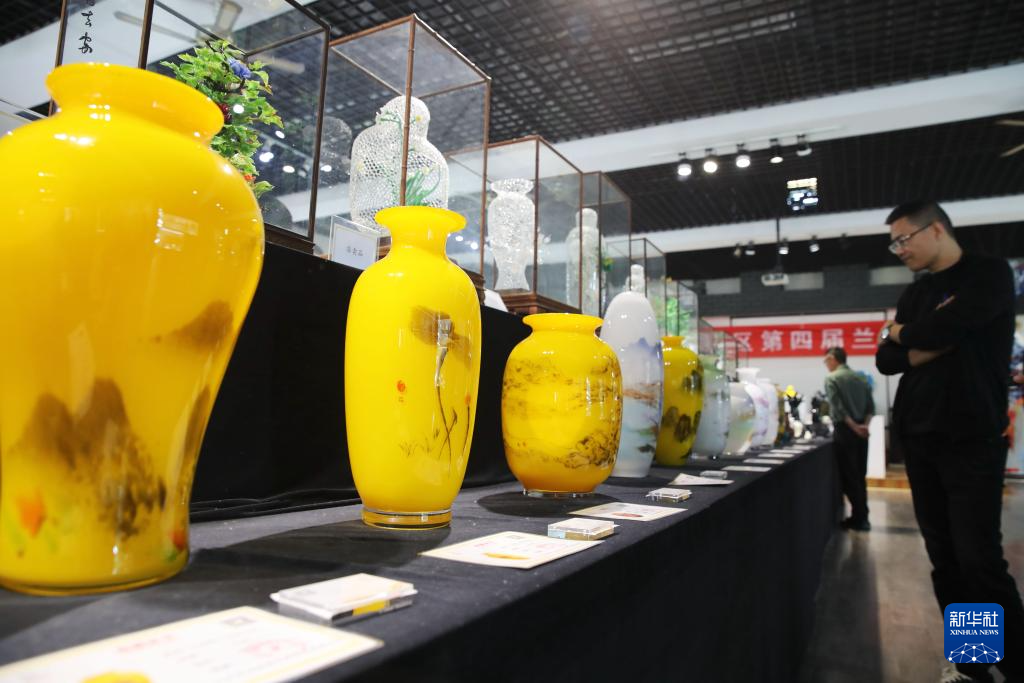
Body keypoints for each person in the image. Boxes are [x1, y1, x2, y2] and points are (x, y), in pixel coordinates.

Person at [875, 200, 1023, 683]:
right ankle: (974, 663)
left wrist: (902, 333)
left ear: (936, 229)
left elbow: (946, 328)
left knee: (979, 559)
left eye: (904, 239)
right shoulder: (917, 292)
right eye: (894, 244)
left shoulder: (989, 274)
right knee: (946, 560)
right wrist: (917, 342)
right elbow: (885, 360)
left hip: (972, 436)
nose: (900, 250)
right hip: (920, 435)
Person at [823, 346, 874, 531]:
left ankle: (859, 518)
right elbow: (870, 407)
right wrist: (864, 426)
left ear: (833, 358)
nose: (826, 364)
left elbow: (838, 409)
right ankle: (862, 516)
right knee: (860, 474)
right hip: (862, 430)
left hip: (846, 431)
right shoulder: (861, 378)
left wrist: (853, 427)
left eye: (826, 360)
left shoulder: (832, 379)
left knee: (849, 476)